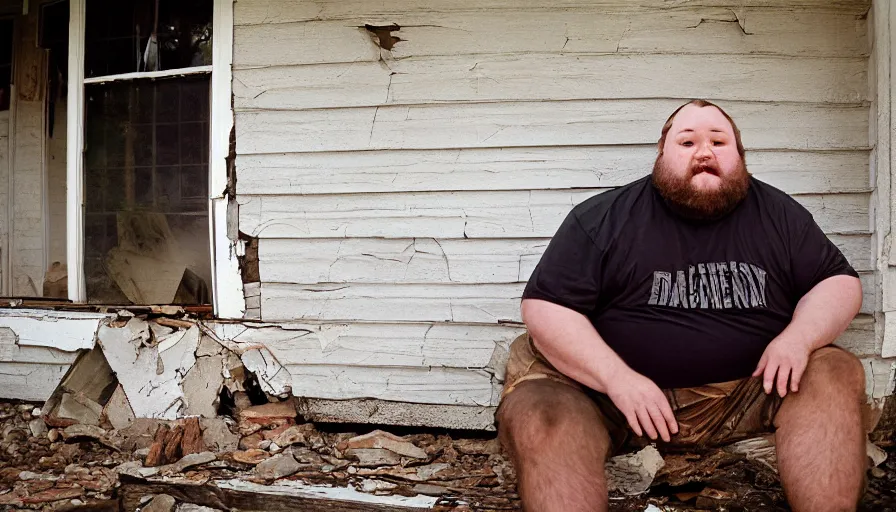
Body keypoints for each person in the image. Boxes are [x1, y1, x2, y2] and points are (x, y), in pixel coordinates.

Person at [497, 100, 868, 512]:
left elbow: (838, 283)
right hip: (608, 398)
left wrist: (797, 340)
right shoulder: (602, 218)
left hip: (749, 392)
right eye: (687, 141)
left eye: (718, 141)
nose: (704, 152)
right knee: (540, 412)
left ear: (741, 157)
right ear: (662, 153)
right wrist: (616, 378)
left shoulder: (781, 216)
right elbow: (547, 307)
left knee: (834, 371)